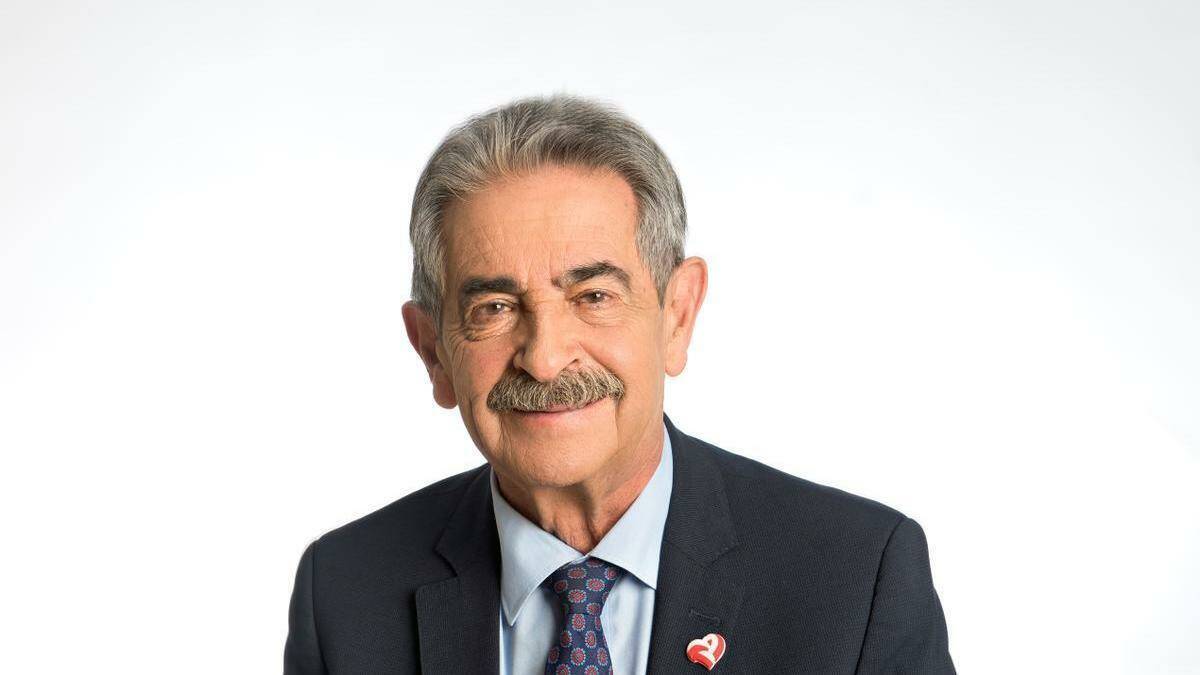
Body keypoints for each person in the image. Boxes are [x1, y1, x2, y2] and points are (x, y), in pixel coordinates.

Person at [283, 94, 955, 674]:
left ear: (677, 314)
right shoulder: (344, 593)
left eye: (594, 296)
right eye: (495, 307)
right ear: (433, 350)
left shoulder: (858, 580)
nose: (545, 359)